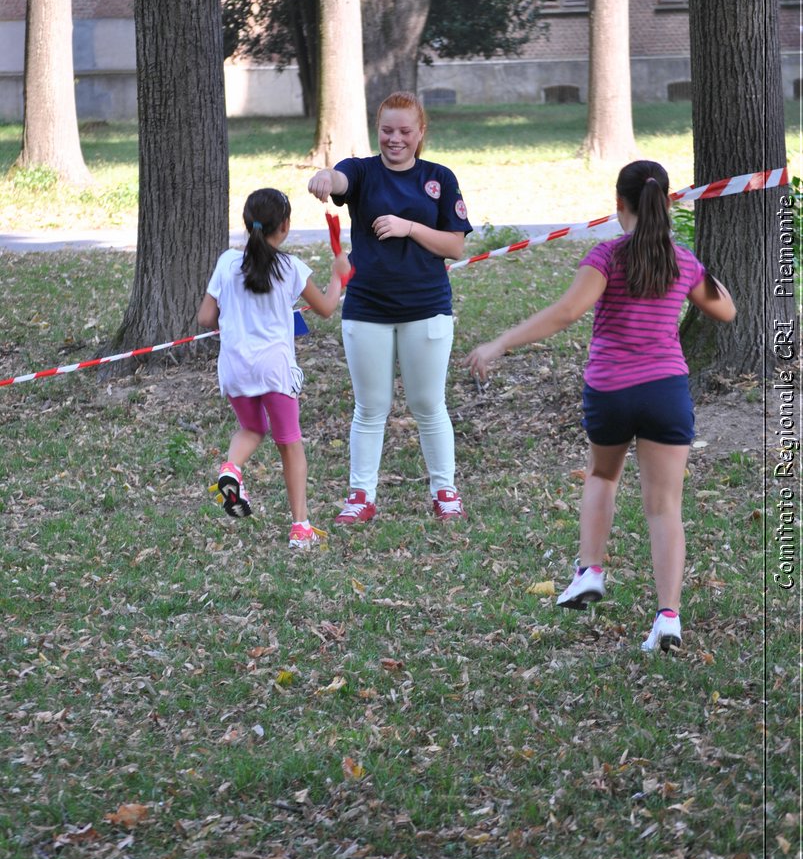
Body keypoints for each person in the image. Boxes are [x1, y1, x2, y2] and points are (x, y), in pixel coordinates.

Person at [465, 160, 736, 652]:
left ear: (619, 204)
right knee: (664, 507)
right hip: (666, 393)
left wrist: (500, 343)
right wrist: (694, 261)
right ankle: (668, 617)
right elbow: (727, 308)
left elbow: (567, 312)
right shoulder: (681, 260)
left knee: (602, 476)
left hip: (611, 391)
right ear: (667, 201)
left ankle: (591, 569)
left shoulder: (607, 256)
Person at [307, 91, 473, 524]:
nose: (394, 139)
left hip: (427, 307)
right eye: (386, 130)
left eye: (404, 131)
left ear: (420, 133)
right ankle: (361, 495)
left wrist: (410, 227)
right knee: (370, 406)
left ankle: (445, 492)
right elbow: (341, 180)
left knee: (427, 404)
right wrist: (327, 176)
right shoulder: (362, 172)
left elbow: (455, 245)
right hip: (366, 309)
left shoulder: (439, 177)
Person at [198, 187, 351, 549]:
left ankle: (231, 469)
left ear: (246, 222)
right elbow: (327, 307)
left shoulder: (226, 262)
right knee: (290, 444)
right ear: (285, 226)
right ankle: (300, 527)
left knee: (251, 428)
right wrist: (339, 274)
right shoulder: (290, 268)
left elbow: (206, 317)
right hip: (275, 370)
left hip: (235, 367)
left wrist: (235, 320)